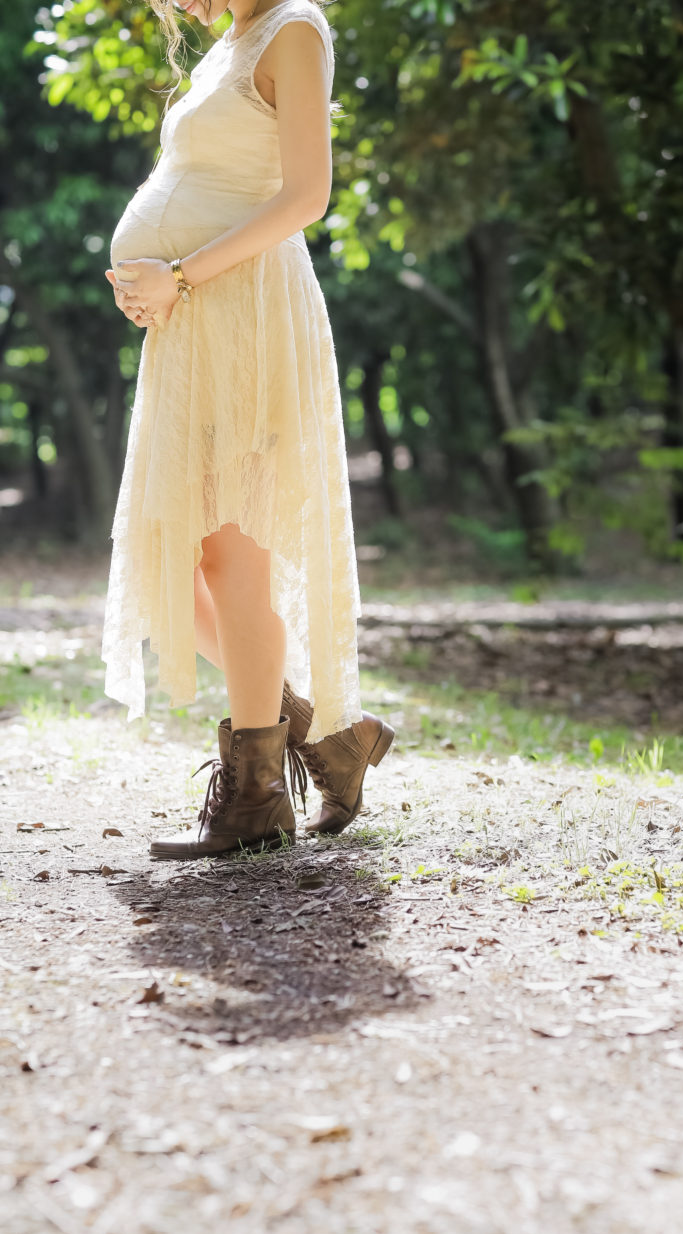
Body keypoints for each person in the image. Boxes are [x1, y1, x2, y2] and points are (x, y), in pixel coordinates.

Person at [102, 0, 394, 860]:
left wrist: (179, 275)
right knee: (179, 557)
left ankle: (254, 798)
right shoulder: (230, 44)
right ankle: (318, 736)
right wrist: (154, 285)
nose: (182, 4)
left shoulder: (294, 28)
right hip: (196, 327)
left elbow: (306, 195)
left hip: (248, 316)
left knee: (230, 551)